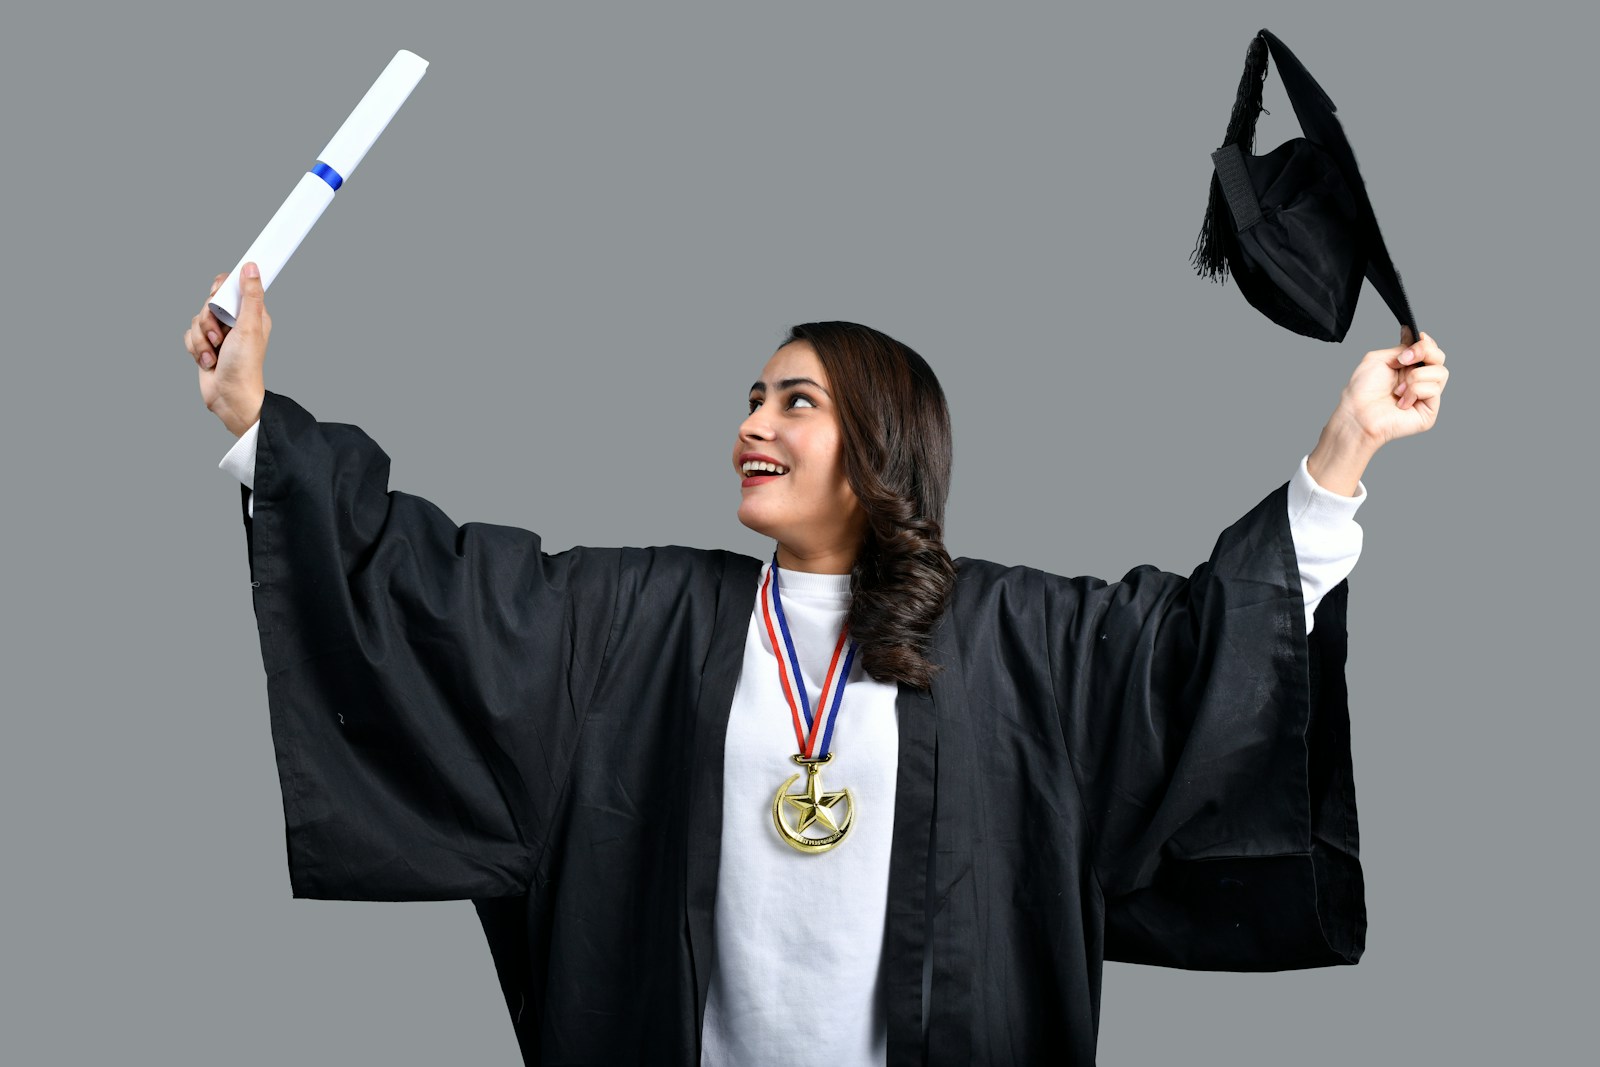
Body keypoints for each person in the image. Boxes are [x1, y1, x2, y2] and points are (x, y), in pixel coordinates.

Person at [184, 262, 1448, 1066]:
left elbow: (1194, 655)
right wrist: (257, 429)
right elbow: (434, 593)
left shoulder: (1012, 639)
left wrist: (1343, 449)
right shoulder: (637, 615)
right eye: (751, 395)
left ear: (881, 440)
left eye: (796, 401)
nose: (752, 422)